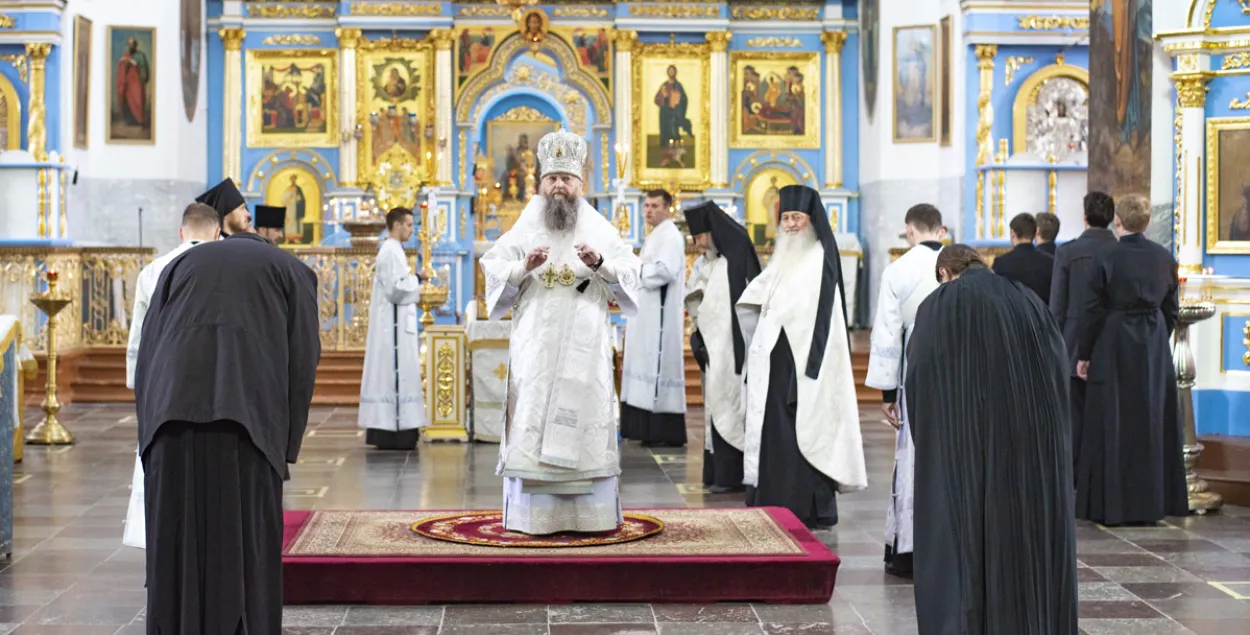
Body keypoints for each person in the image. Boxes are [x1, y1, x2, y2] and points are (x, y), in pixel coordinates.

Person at [135, 229, 320, 634]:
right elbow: (304, 357)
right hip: (247, 428)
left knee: (175, 546)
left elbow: (147, 353)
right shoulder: (291, 270)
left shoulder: (179, 265)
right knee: (242, 548)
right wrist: (285, 444)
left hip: (169, 422)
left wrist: (147, 436)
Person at [905, 244, 1077, 635]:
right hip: (1028, 444)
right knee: (1021, 542)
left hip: (964, 441)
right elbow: (1055, 366)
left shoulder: (939, 304)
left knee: (963, 540)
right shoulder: (1027, 298)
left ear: (946, 272)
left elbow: (919, 376)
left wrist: (932, 438)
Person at [479, 130, 642, 534]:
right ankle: (534, 517)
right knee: (533, 414)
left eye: (566, 179)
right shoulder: (526, 223)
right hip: (537, 346)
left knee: (584, 417)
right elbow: (494, 268)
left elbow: (632, 276)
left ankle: (591, 516)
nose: (558, 186)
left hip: (585, 348)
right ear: (540, 182)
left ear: (579, 185)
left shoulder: (598, 226)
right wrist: (523, 268)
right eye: (551, 178)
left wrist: (601, 262)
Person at [736, 185, 865, 528]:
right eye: (786, 218)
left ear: (811, 221)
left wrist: (806, 368)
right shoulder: (784, 258)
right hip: (776, 361)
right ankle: (772, 498)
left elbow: (821, 319)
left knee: (802, 432)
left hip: (801, 367)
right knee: (774, 432)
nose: (790, 225)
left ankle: (803, 505)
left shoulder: (820, 257)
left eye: (797, 217)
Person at [1076, 194, 1187, 526]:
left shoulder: (1106, 256)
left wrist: (1084, 354)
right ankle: (1152, 504)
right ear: (1148, 222)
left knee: (1113, 418)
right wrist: (1154, 339)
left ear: (1118, 221)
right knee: (1150, 419)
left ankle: (1111, 506)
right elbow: (1171, 312)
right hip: (1152, 343)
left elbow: (1091, 310)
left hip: (1113, 341)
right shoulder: (1164, 257)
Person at [122, 203, 221, 550]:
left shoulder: (153, 270)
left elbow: (139, 335)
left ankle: (161, 532)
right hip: (213, 379)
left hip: (163, 380)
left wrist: (139, 385)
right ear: (218, 233)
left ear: (181, 232)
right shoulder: (224, 268)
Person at [865, 203, 944, 578]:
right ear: (940, 230)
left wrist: (887, 394)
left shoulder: (899, 269)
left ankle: (910, 549)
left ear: (910, 230)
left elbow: (886, 335)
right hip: (959, 367)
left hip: (918, 363)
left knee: (913, 451)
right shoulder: (963, 263)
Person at [684, 201, 762, 494]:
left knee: (730, 404)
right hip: (715, 351)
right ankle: (717, 471)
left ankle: (730, 474)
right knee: (716, 405)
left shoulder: (731, 264)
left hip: (732, 350)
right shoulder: (715, 264)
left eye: (701, 236)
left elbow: (730, 310)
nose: (698, 243)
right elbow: (703, 306)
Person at [1049, 192, 1118, 474]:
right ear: (1113, 219)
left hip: (1073, 341)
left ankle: (1076, 477)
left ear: (1085, 217)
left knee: (1075, 414)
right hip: (1113, 341)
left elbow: (1057, 306)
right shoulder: (1120, 251)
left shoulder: (1068, 252)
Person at [619, 189, 687, 447]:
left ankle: (661, 430)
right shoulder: (656, 235)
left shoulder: (670, 235)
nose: (648, 210)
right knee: (643, 363)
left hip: (660, 313)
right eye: (646, 205)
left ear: (668, 208)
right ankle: (646, 428)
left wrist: (634, 268)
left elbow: (665, 271)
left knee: (656, 366)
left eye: (655, 205)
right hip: (647, 312)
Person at [359, 207, 430, 450]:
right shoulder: (390, 251)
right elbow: (395, 289)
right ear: (397, 225)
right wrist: (418, 278)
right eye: (409, 225)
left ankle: (396, 431)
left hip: (397, 324)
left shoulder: (394, 250)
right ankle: (395, 433)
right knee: (394, 375)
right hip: (393, 328)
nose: (412, 230)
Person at [992, 212, 1054, 301]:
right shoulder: (1050, 262)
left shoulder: (1001, 263)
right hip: (1041, 313)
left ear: (1012, 233)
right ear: (1036, 232)